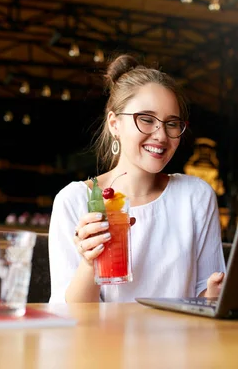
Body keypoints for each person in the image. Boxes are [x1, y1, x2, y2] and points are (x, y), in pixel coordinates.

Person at [48, 54, 226, 303]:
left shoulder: (195, 195)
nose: (161, 135)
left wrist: (215, 296)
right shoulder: (75, 200)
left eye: (171, 124)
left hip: (178, 341)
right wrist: (90, 264)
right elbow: (69, 317)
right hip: (104, 342)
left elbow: (205, 298)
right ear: (114, 123)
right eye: (146, 119)